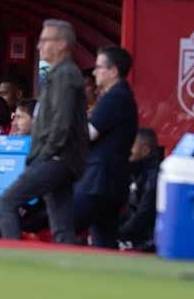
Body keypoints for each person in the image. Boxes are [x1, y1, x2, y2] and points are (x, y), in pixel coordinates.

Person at [0, 19, 87, 244]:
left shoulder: (65, 74)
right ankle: (66, 269)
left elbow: (60, 123)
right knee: (61, 224)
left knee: (6, 202)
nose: (39, 46)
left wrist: (41, 156)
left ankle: (12, 262)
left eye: (45, 40)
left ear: (62, 44)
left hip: (56, 158)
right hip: (64, 159)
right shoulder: (62, 73)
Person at [74, 45, 138, 248]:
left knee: (64, 225)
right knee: (104, 241)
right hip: (112, 181)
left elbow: (89, 133)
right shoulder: (122, 96)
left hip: (98, 179)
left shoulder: (115, 97)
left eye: (99, 67)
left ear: (113, 70)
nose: (94, 72)